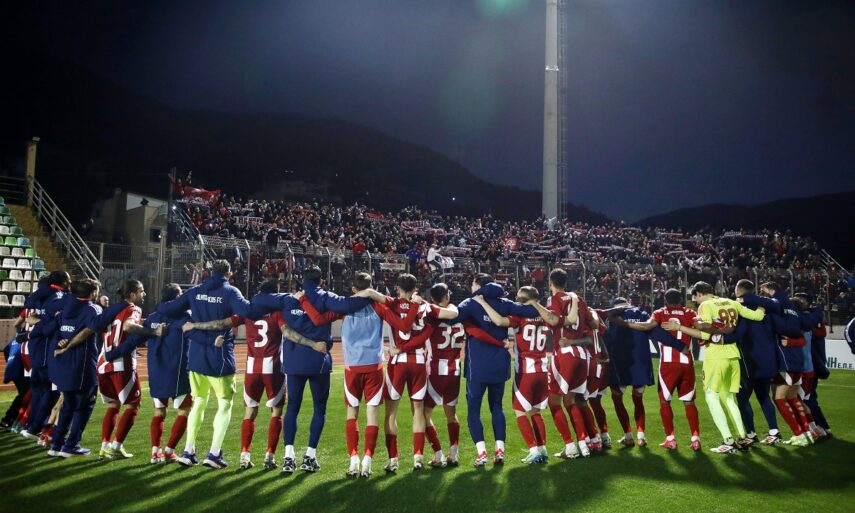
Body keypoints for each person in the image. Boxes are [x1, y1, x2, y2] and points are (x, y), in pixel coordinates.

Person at [301, 272, 436, 476]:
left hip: (352, 368)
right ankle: (368, 461)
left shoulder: (344, 308)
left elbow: (318, 319)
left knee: (352, 413)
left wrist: (303, 300)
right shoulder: (378, 306)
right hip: (374, 367)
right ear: (372, 287)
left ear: (353, 289)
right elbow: (403, 325)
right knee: (372, 414)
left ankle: (353, 461)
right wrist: (414, 307)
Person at [253, 265, 371, 473]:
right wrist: (371, 294)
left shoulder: (288, 299)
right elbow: (350, 304)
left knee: (292, 408)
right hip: (318, 363)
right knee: (319, 408)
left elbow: (258, 300)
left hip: (293, 363)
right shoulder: (326, 298)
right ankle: (309, 456)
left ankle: (288, 457)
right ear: (321, 281)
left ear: (302, 280)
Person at [158, 259, 259, 469]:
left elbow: (169, 308)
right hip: (219, 356)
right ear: (229, 273)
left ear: (210, 272)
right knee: (225, 404)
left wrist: (173, 316)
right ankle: (214, 453)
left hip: (195, 357)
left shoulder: (195, 291)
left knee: (198, 402)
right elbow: (248, 311)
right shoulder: (230, 292)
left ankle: (188, 451)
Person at [665, 281, 765, 454]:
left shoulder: (706, 305)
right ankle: (743, 436)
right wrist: (763, 304)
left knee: (711, 396)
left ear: (699, 293)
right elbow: (758, 316)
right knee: (729, 398)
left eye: (695, 297)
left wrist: (679, 327)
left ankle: (728, 440)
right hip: (733, 355)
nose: (696, 301)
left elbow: (705, 334)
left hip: (716, 356)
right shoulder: (732, 302)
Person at [452, 274, 538, 466]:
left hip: (477, 367)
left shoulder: (471, 303)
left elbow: (451, 318)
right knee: (497, 407)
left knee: (473, 409)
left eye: (472, 283)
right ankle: (500, 451)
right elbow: (531, 310)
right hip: (500, 364)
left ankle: (481, 453)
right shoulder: (505, 303)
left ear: (478, 285)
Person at [103, 284, 194, 464]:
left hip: (156, 372)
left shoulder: (152, 318)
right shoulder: (185, 317)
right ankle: (169, 452)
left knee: (159, 412)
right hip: (178, 372)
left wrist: (112, 354)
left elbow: (133, 341)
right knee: (184, 411)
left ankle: (155, 453)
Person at [475, 286, 560, 464]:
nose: (516, 300)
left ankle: (533, 450)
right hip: (542, 370)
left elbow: (499, 321)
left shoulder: (519, 315)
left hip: (526, 371)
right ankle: (542, 450)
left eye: (519, 298)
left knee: (519, 411)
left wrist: (483, 303)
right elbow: (553, 320)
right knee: (535, 411)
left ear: (526, 300)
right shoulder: (544, 315)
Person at [625, 289, 702, 451]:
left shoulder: (660, 313)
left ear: (665, 300)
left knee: (664, 401)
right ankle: (695, 439)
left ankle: (670, 439)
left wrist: (626, 324)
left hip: (668, 363)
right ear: (681, 300)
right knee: (689, 401)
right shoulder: (689, 313)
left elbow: (647, 326)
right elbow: (700, 328)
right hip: (687, 361)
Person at [95, 280, 157, 459]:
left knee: (113, 404)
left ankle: (104, 446)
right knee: (133, 405)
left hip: (103, 363)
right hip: (121, 363)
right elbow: (129, 326)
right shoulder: (133, 308)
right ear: (132, 294)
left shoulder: (112, 310)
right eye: (142, 291)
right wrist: (151, 332)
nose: (144, 294)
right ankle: (115, 447)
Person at [49, 279, 103, 457]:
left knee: (68, 405)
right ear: (93, 292)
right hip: (83, 364)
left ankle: (56, 444)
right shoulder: (93, 309)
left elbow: (56, 331)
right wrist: (68, 345)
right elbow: (87, 332)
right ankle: (71, 445)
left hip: (64, 363)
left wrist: (61, 342)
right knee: (84, 406)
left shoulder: (65, 309)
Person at [20, 271, 70, 445]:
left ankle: (30, 425)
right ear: (63, 282)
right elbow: (47, 325)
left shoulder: (39, 296)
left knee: (38, 391)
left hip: (35, 349)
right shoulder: (57, 298)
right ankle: (36, 428)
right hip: (45, 350)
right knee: (50, 391)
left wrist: (36, 324)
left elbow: (31, 316)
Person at [607, 298, 655, 448]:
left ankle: (628, 436)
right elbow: (651, 331)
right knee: (638, 399)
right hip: (641, 362)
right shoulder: (642, 313)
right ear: (628, 302)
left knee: (617, 398)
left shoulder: (612, 315)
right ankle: (641, 437)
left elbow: (608, 337)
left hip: (620, 364)